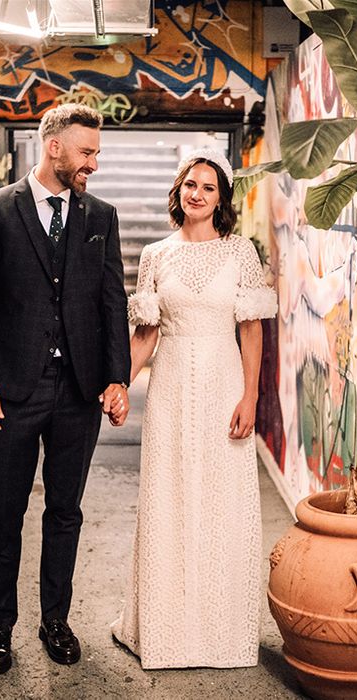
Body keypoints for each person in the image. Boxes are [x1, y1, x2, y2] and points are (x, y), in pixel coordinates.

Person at [0, 103, 131, 675]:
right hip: (10, 389)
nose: (94, 164)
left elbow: (112, 301)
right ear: (53, 146)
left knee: (65, 511)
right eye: (87, 152)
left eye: (97, 154)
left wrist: (116, 377)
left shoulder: (100, 216)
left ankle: (55, 619)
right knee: (4, 514)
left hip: (78, 391)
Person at [110, 148, 278, 669]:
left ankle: (220, 633)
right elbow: (146, 334)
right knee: (170, 498)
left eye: (208, 187)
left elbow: (251, 330)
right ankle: (165, 631)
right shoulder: (157, 255)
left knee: (223, 500)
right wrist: (122, 382)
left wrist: (250, 396)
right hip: (171, 387)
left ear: (221, 198)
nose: (197, 194)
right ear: (178, 192)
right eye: (190, 184)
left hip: (225, 383)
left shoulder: (241, 253)